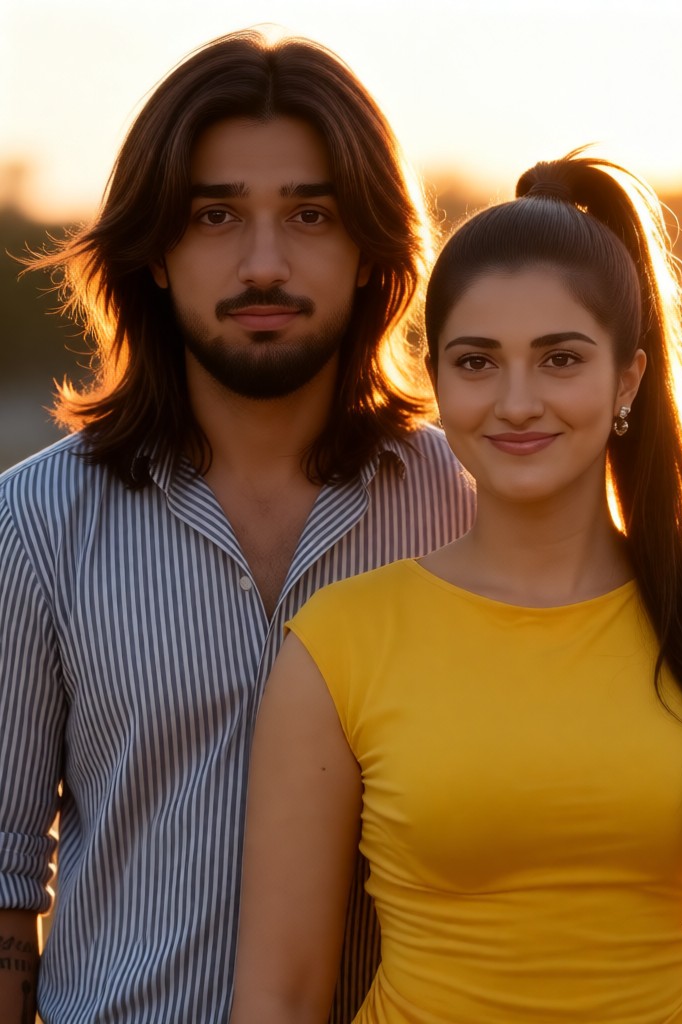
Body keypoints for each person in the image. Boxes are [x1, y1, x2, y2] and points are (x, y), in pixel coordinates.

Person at [0, 29, 475, 1024]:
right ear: (157, 254)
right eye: (216, 215)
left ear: (369, 254)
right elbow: (3, 888)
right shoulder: (37, 520)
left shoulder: (465, 501)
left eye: (311, 213)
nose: (265, 262)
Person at [231, 151, 682, 1023]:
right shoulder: (340, 644)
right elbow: (279, 1000)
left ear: (627, 377)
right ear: (437, 380)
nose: (517, 402)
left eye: (560, 359)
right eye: (478, 363)